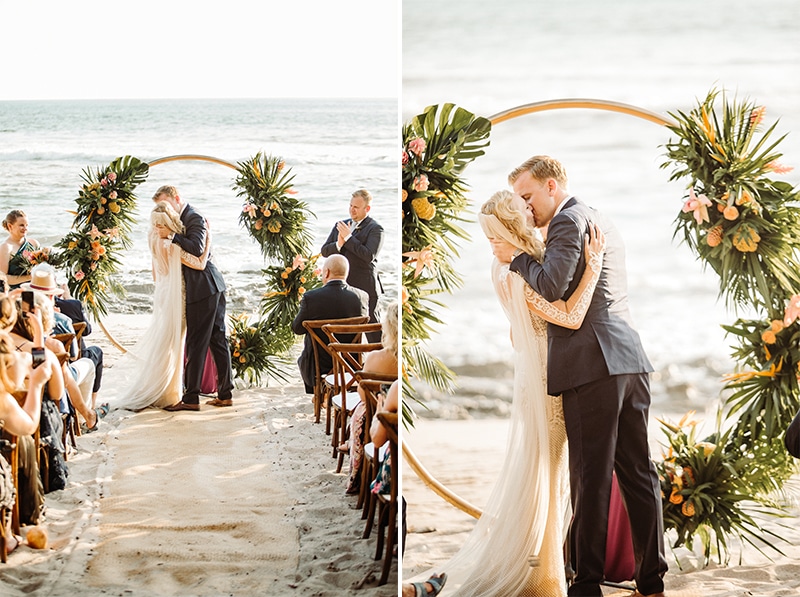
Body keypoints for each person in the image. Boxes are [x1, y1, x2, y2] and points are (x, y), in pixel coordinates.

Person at [412, 189, 605, 596]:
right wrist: (593, 269)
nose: (492, 245)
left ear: (514, 229)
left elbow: (517, 330)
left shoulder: (513, 269)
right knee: (546, 474)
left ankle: (543, 569)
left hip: (534, 373)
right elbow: (569, 318)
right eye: (488, 237)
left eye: (497, 235)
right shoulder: (515, 271)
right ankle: (539, 576)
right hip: (545, 383)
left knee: (543, 473)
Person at [492, 156, 667, 597]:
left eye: (528, 197)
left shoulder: (569, 221)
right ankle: (652, 578)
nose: (526, 209)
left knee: (591, 477)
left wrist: (516, 259)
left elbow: (551, 286)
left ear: (553, 186)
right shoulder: (598, 217)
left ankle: (585, 584)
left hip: (592, 366)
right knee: (638, 472)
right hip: (628, 359)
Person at [110, 200, 211, 411]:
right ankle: (166, 393)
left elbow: (156, 272)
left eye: (161, 225)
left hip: (164, 292)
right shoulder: (171, 245)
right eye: (159, 225)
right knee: (172, 344)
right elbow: (199, 263)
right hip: (177, 296)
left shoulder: (152, 239)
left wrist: (162, 286)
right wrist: (208, 239)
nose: (159, 229)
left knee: (164, 342)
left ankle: (162, 389)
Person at [151, 186, 234, 412]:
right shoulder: (182, 219)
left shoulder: (194, 217)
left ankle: (191, 398)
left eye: (168, 203)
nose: (167, 209)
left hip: (204, 288)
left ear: (177, 198)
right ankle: (225, 393)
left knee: (197, 342)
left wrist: (173, 237)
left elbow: (197, 250)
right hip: (209, 286)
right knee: (217, 339)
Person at [342, 300, 399, 494]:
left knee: (361, 410)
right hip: (395, 424)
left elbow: (362, 394)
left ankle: (356, 473)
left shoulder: (375, 358)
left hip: (378, 419)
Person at [291, 254, 369, 394]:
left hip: (320, 366)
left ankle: (320, 392)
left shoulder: (311, 297)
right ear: (346, 273)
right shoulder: (362, 297)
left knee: (306, 353)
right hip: (351, 365)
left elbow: (297, 329)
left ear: (326, 272)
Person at [320, 189, 384, 341]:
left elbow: (369, 255)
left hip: (366, 287)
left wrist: (348, 238)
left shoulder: (375, 229)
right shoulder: (341, 225)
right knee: (348, 331)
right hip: (345, 288)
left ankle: (381, 363)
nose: (351, 209)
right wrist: (339, 244)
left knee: (372, 330)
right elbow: (324, 251)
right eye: (350, 205)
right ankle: (351, 363)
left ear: (367, 209)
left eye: (356, 207)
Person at [0, 210, 40, 290]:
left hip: (34, 289)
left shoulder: (34, 243)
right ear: (10, 226)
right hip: (14, 293)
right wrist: (28, 277)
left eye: (27, 225)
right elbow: (2, 278)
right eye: (21, 225)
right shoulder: (6, 248)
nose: (25, 228)